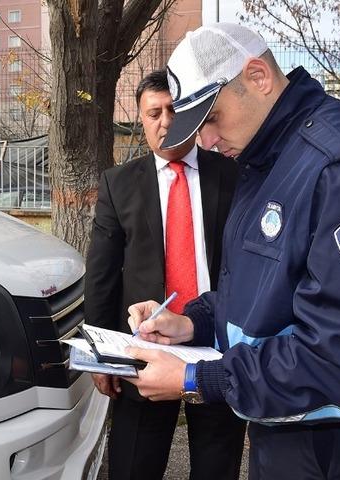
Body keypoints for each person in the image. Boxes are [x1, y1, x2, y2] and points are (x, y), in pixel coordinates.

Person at [124, 24, 340, 479]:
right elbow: (261, 292)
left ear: (258, 76)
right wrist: (193, 322)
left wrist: (196, 379)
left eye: (210, 118)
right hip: (284, 418)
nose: (205, 141)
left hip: (336, 441)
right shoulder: (267, 159)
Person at [84, 70, 247, 480]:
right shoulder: (119, 184)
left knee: (217, 466)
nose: (165, 121)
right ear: (141, 119)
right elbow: (102, 275)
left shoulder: (230, 175)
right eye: (153, 112)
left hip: (216, 348)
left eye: (174, 110)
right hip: (145, 349)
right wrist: (102, 358)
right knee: (135, 464)